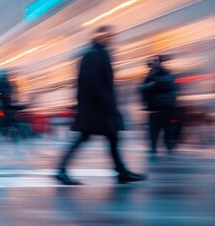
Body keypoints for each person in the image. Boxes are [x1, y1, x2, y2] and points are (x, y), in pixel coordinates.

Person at [56, 26, 147, 185]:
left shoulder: (98, 53)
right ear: (97, 37)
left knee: (112, 138)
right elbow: (91, 81)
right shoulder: (94, 54)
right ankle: (61, 170)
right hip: (97, 108)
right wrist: (106, 101)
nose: (110, 38)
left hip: (98, 107)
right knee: (89, 137)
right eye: (106, 36)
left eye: (111, 36)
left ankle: (121, 171)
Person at [139, 55, 179, 154]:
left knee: (159, 127)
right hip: (158, 107)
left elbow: (143, 89)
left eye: (153, 63)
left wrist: (153, 84)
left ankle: (162, 145)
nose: (151, 65)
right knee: (160, 128)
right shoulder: (153, 75)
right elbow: (142, 89)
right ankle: (161, 145)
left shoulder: (161, 74)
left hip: (161, 107)